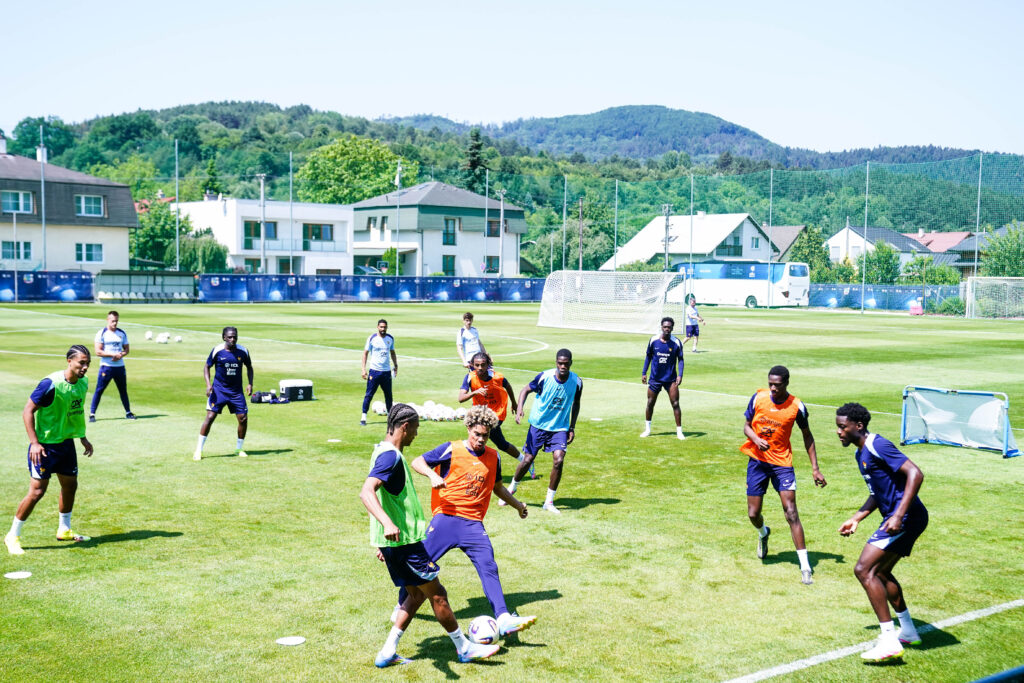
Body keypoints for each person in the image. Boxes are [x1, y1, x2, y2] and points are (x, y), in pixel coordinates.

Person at [361, 403, 500, 667]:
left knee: (415, 595)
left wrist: (383, 538)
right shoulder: (390, 457)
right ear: (405, 426)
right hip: (406, 544)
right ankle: (463, 648)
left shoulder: (381, 451)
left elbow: (385, 497)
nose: (416, 434)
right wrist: (387, 524)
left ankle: (387, 652)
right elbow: (367, 492)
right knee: (437, 594)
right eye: (415, 428)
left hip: (395, 543)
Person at [392, 405, 537, 637]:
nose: (480, 439)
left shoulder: (493, 457)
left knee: (489, 565)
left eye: (485, 436)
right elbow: (418, 461)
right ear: (468, 428)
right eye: (476, 434)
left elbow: (497, 487)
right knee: (420, 565)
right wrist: (433, 475)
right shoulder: (452, 449)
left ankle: (504, 618)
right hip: (446, 519)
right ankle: (401, 606)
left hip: (472, 524)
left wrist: (518, 505)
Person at [836, 402, 927, 663]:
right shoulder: (860, 454)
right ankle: (908, 631)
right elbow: (877, 494)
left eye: (843, 427)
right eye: (838, 427)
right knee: (881, 571)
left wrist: (898, 514)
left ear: (858, 426)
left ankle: (888, 640)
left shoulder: (878, 445)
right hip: (899, 517)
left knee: (864, 570)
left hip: (906, 517)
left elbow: (915, 473)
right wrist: (857, 518)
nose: (839, 432)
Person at [740, 365, 826, 584]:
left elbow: (808, 436)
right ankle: (763, 533)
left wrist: (815, 468)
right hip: (758, 461)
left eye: (777, 385)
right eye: (770, 383)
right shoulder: (758, 398)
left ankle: (805, 566)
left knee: (791, 512)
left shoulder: (797, 406)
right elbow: (746, 427)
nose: (772, 388)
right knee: (753, 513)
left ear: (786, 383)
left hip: (782, 464)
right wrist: (756, 440)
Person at [5, 345, 94, 555]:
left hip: (66, 444)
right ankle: (12, 535)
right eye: (82, 362)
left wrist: (83, 437)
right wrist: (34, 443)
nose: (85, 367)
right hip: (44, 448)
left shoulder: (83, 382)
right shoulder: (50, 384)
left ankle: (64, 529)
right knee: (37, 492)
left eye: (88, 363)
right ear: (69, 361)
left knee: (70, 485)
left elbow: (75, 411)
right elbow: (28, 410)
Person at [509, 349, 582, 514]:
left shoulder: (577, 382)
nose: (562, 366)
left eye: (566, 363)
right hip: (538, 425)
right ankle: (512, 488)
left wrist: (572, 427)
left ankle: (548, 502)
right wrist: (520, 407)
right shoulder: (544, 377)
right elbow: (525, 390)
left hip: (560, 428)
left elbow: (576, 403)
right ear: (556, 362)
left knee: (559, 460)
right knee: (527, 460)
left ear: (571, 363)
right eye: (560, 363)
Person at [459, 351, 535, 479]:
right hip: (481, 413)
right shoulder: (470, 378)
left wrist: (514, 404)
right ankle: (526, 461)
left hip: (497, 412)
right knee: (500, 444)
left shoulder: (497, 377)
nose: (480, 368)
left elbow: (508, 386)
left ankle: (479, 468)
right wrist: (475, 392)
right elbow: (461, 398)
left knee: (479, 437)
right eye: (477, 365)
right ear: (472, 365)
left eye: (483, 365)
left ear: (488, 364)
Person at [193, 327, 253, 461]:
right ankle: (198, 450)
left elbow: (249, 367)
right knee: (210, 417)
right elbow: (207, 366)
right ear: (224, 337)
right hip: (219, 391)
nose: (233, 339)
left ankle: (239, 448)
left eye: (235, 337)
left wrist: (250, 383)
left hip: (236, 392)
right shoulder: (217, 351)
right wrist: (208, 385)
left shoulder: (243, 351)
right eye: (230, 337)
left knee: (243, 418)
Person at [640, 317, 685, 440]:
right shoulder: (653, 340)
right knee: (650, 403)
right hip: (655, 378)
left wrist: (680, 375)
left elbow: (680, 360)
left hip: (671, 380)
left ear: (672, 328)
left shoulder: (676, 342)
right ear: (661, 327)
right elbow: (648, 356)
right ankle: (647, 429)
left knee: (675, 403)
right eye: (665, 327)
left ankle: (679, 431)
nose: (667, 329)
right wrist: (644, 372)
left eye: (669, 327)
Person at [89, 310, 135, 422]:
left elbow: (127, 349)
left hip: (119, 367)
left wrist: (121, 354)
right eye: (113, 321)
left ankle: (128, 412)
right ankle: (92, 414)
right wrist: (112, 354)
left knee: (123, 390)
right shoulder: (101, 333)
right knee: (99, 390)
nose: (115, 323)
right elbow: (98, 351)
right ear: (107, 320)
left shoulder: (121, 333)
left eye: (116, 321)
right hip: (106, 367)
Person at [361, 319, 397, 426]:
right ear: (377, 327)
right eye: (381, 327)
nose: (383, 329)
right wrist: (363, 369)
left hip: (386, 372)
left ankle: (390, 418)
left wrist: (396, 366)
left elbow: (393, 352)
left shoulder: (390, 339)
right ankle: (363, 417)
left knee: (388, 396)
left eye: (385, 327)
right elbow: (365, 354)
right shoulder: (372, 338)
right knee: (369, 395)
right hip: (374, 372)